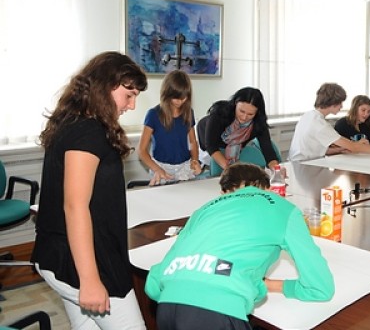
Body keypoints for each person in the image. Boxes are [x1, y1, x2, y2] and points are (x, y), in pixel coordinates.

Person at [31, 51, 148, 329]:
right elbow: (75, 206)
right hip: (83, 264)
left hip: (60, 256)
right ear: (106, 86)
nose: (131, 105)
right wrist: (90, 280)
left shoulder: (73, 123)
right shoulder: (89, 132)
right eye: (129, 95)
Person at [145, 163, 334, 329]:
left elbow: (153, 283)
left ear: (225, 193)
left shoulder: (204, 209)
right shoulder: (283, 207)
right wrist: (272, 286)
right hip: (218, 312)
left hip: (167, 309)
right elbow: (320, 287)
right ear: (267, 189)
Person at [287, 83, 370, 161]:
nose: (341, 106)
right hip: (302, 165)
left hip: (300, 162)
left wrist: (340, 149)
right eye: (340, 103)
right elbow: (353, 147)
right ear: (332, 102)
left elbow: (314, 149)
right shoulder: (320, 125)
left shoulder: (308, 116)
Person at [138, 70, 201, 186]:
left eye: (184, 98)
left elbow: (193, 141)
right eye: (176, 98)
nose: (180, 101)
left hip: (184, 166)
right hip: (161, 167)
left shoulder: (188, 113)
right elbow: (141, 151)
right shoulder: (153, 115)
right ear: (167, 94)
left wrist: (195, 160)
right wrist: (157, 169)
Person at [197, 87, 281, 171]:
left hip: (233, 149)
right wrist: (230, 169)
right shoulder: (220, 113)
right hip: (208, 144)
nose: (244, 117)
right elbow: (211, 146)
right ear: (235, 103)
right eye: (241, 111)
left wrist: (277, 170)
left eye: (250, 114)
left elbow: (268, 149)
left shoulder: (258, 122)